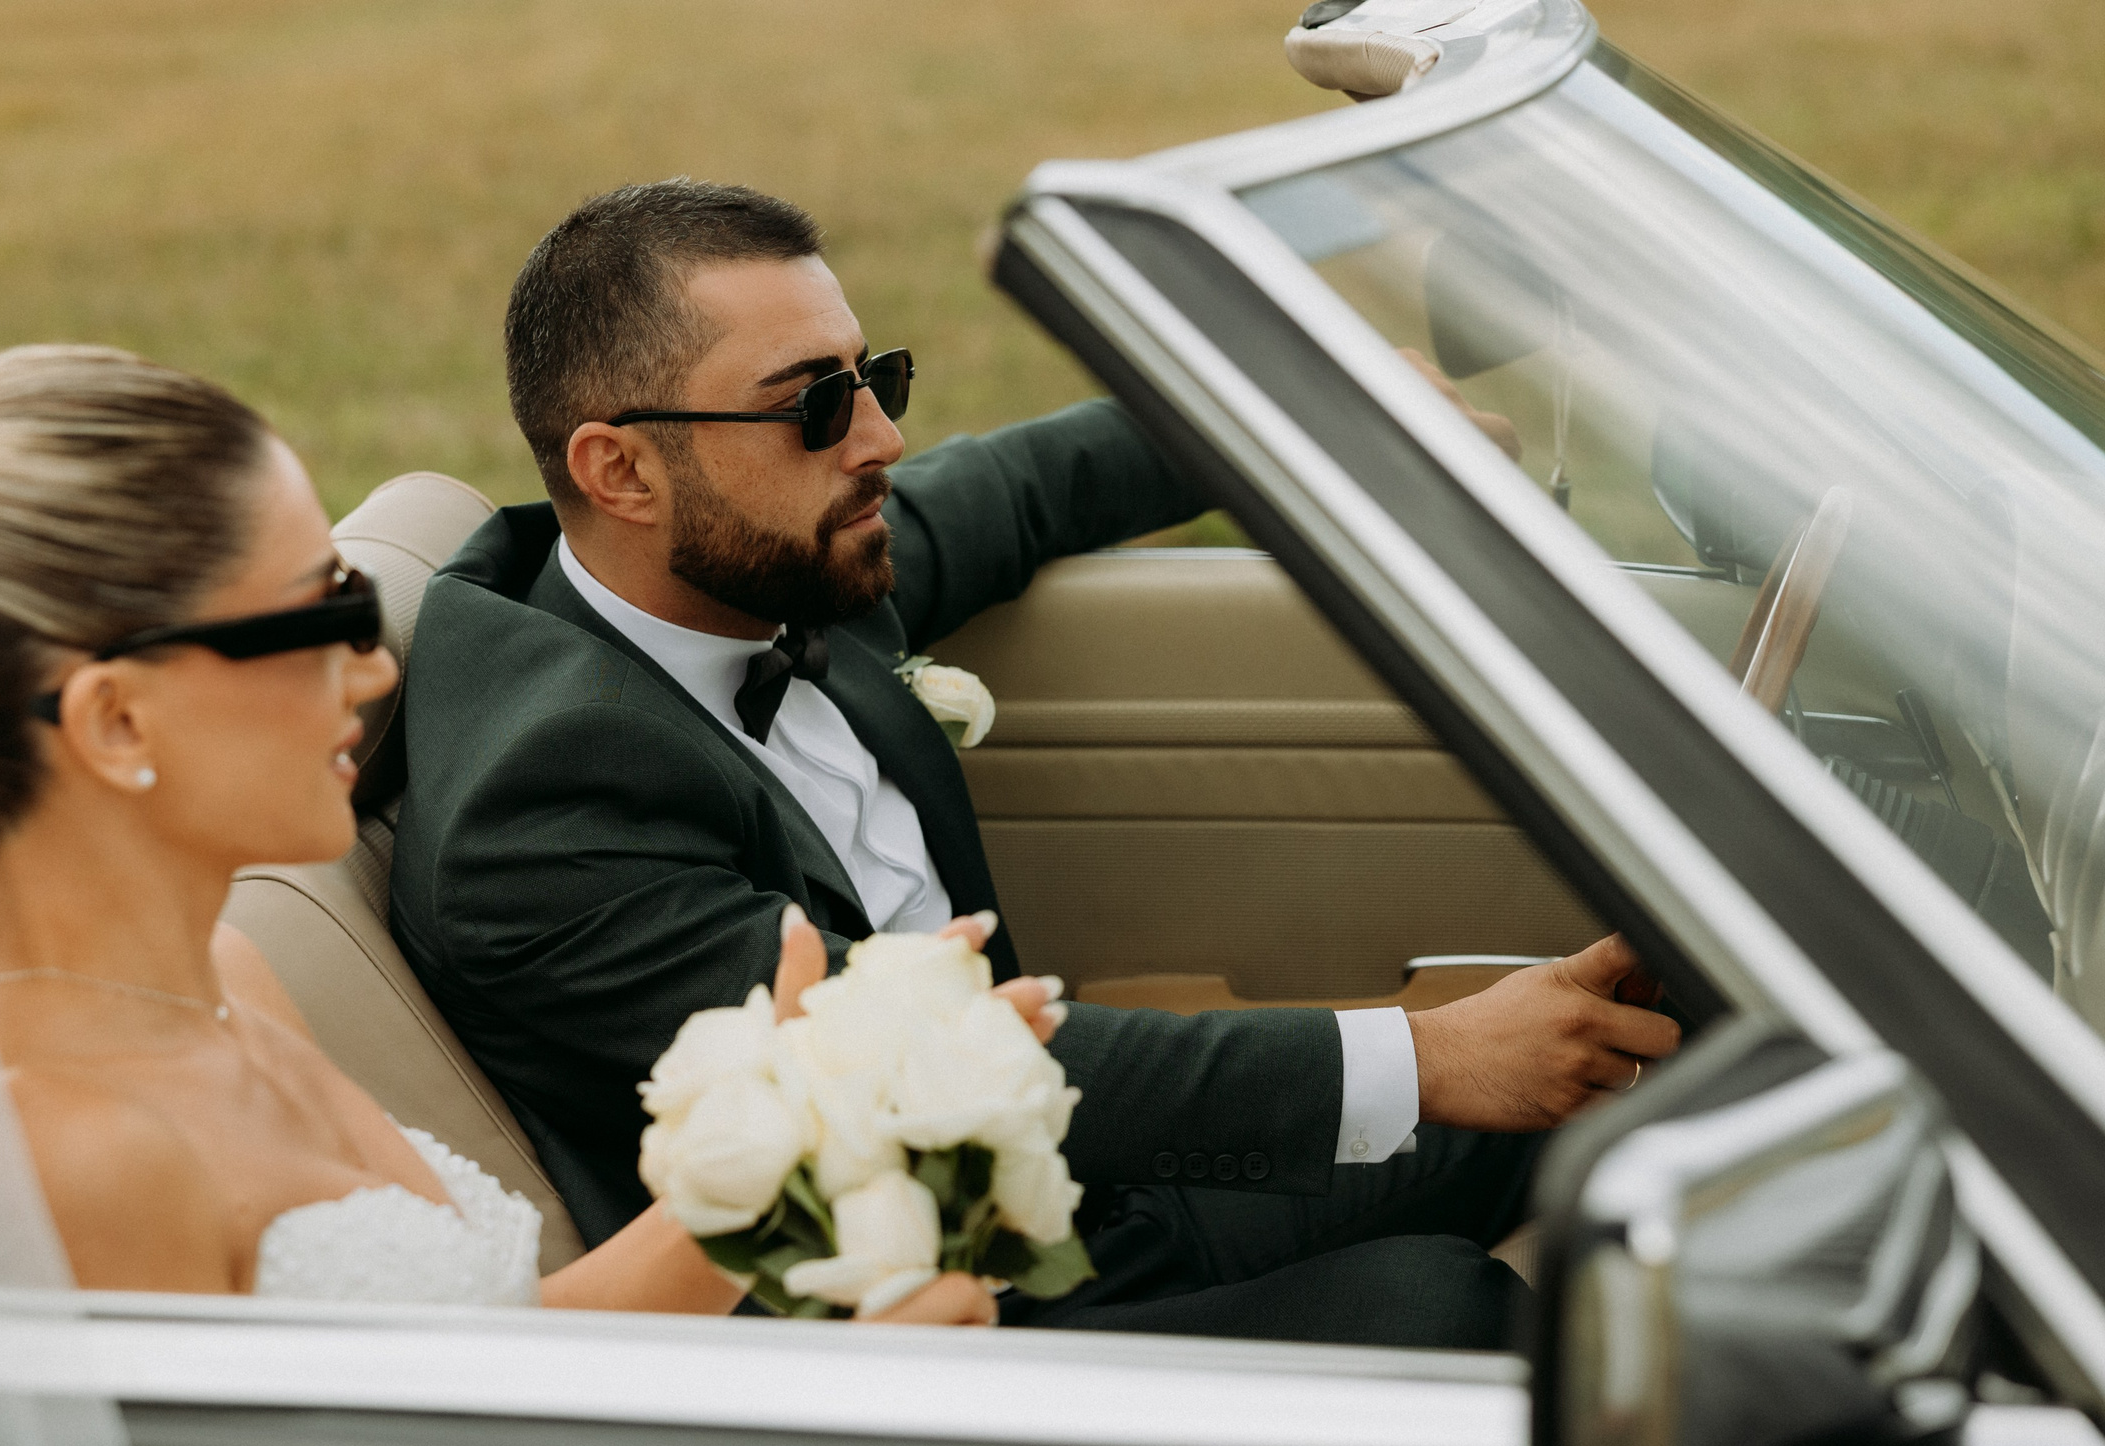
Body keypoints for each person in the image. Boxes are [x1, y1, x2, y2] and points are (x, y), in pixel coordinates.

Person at [387, 180, 1681, 1345]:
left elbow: (1029, 485)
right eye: (817, 405)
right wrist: (1429, 1055)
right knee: (1442, 1310)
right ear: (619, 469)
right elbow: (907, 1067)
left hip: (1069, 1183)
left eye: (876, 375)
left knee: (1626, 1088)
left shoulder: (775, 560)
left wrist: (1321, 412)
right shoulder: (541, 808)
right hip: (911, 1309)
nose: (880, 438)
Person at [0, 336, 1009, 1326]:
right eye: (315, 619)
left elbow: (502, 1349)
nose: (369, 675)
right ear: (116, 722)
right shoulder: (71, 1159)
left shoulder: (224, 981)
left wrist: (809, 1120)